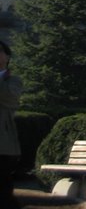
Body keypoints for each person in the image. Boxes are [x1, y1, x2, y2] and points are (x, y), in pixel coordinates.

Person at [0, 41, 22, 209]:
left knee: (3, 184)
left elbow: (10, 98)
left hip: (4, 143)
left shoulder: (13, 80)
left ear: (7, 57)